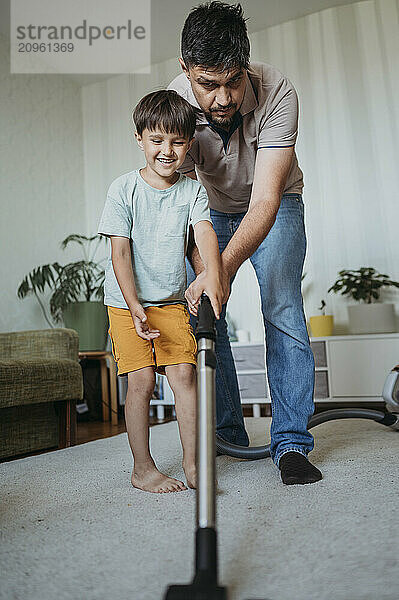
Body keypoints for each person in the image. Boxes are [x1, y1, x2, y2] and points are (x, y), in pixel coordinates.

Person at [167, 1, 322, 485]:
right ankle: (229, 434)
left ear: (246, 64)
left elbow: (265, 202)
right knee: (208, 312)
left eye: (232, 81)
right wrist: (210, 273)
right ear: (186, 70)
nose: (221, 97)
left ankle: (292, 443)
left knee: (281, 308)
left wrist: (223, 268)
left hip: (273, 206)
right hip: (208, 213)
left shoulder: (277, 91)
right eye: (207, 84)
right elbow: (187, 206)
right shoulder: (175, 105)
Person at [97, 90, 224, 494]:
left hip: (169, 301)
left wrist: (212, 274)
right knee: (142, 383)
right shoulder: (123, 189)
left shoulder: (192, 190)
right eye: (157, 140)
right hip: (126, 302)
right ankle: (143, 469)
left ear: (189, 144)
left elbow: (203, 231)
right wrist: (133, 305)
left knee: (184, 375)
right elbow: (120, 251)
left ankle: (192, 464)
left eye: (177, 141)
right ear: (140, 138)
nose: (167, 151)